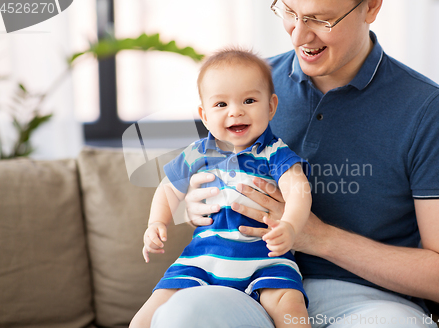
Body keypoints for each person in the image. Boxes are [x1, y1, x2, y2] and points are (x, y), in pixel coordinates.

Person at [150, 0, 439, 328]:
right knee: (183, 314)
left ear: (372, 7)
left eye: (321, 20)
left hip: (367, 303)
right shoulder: (248, 87)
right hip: (246, 288)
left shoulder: (429, 111)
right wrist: (197, 203)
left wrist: (317, 236)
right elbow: (198, 169)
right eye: (289, 12)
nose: (298, 35)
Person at [129, 49, 313, 328]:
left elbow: (298, 188)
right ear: (204, 115)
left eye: (249, 100)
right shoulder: (198, 152)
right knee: (143, 320)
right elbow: (168, 189)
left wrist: (290, 225)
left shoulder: (274, 152)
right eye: (221, 104)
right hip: (202, 259)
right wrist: (156, 222)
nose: (235, 111)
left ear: (271, 106)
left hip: (265, 260)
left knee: (291, 309)